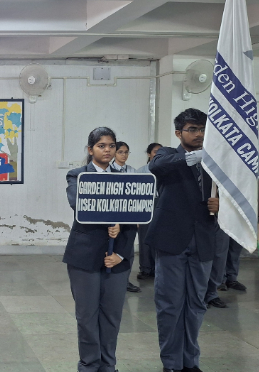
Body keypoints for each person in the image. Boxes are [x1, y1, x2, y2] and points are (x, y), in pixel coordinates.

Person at [147, 108, 219, 372]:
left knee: (196, 304)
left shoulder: (215, 160)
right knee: (170, 305)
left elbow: (229, 190)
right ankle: (171, 363)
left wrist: (221, 204)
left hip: (203, 240)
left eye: (202, 129)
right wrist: (194, 157)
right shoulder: (167, 154)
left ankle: (190, 361)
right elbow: (156, 166)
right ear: (179, 133)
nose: (199, 134)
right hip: (172, 240)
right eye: (193, 129)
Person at [64, 127, 136, 372]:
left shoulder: (125, 178)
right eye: (101, 146)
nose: (107, 150)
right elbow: (79, 203)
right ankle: (89, 364)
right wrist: (112, 218)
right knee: (87, 316)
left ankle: (108, 365)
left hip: (117, 258)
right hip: (84, 257)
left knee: (112, 316)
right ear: (90, 149)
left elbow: (135, 217)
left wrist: (121, 253)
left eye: (111, 146)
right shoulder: (77, 175)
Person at [110, 141, 141, 293]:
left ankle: (125, 280)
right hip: (113, 215)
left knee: (127, 249)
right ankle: (111, 278)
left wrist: (138, 218)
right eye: (120, 152)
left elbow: (138, 195)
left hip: (129, 216)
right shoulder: (108, 171)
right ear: (114, 153)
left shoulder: (133, 171)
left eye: (126, 152)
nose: (124, 155)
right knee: (113, 247)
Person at [136, 143, 162, 281]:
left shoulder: (165, 170)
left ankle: (158, 268)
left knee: (159, 239)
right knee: (144, 239)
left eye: (160, 152)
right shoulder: (141, 171)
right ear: (149, 154)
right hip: (145, 205)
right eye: (155, 151)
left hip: (161, 205)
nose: (158, 154)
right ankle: (145, 269)